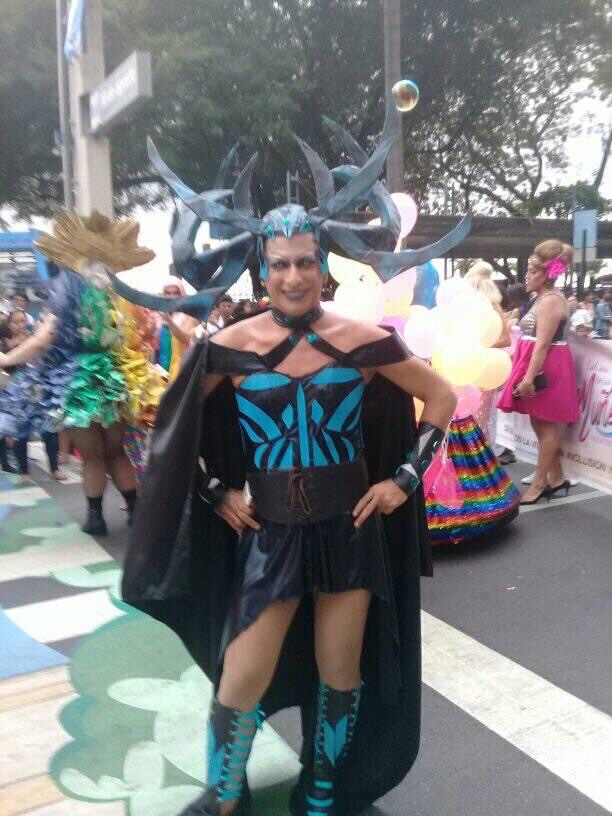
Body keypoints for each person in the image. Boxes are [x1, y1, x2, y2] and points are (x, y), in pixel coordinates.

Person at [116, 103, 471, 816]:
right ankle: (225, 795)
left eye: (306, 261)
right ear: (262, 267)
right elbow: (174, 432)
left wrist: (403, 481)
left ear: (323, 263)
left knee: (341, 672)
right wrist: (216, 492)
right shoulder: (229, 348)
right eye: (280, 264)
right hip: (270, 534)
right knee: (240, 676)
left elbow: (440, 396)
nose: (294, 276)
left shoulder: (364, 342)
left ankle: (322, 789)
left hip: (349, 531)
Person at [0, 211, 162, 533]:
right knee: (116, 452)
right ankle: (136, 512)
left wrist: (5, 361)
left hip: (76, 383)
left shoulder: (66, 299)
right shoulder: (119, 299)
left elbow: (42, 340)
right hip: (114, 380)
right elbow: (137, 338)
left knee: (92, 457)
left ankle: (96, 518)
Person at [498, 240, 579, 504]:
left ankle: (540, 483)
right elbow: (533, 341)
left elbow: (543, 344)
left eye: (532, 271)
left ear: (545, 274)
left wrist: (529, 378)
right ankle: (556, 478)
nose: (526, 275)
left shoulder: (550, 300)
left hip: (546, 367)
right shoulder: (543, 298)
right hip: (540, 363)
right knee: (540, 423)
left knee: (545, 425)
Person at [0, 310, 65, 483]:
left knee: (49, 431)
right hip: (14, 395)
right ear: (9, 324)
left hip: (39, 390)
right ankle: (24, 471)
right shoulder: (4, 343)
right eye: (16, 322)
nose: (20, 325)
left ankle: (55, 468)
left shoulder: (35, 338)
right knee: (20, 433)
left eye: (23, 321)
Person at [156, 276, 200, 381]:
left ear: (181, 294)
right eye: (167, 293)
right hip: (160, 367)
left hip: (179, 369)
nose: (171, 297)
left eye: (175, 293)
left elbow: (185, 339)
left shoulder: (189, 315)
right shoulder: (159, 314)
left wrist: (169, 321)